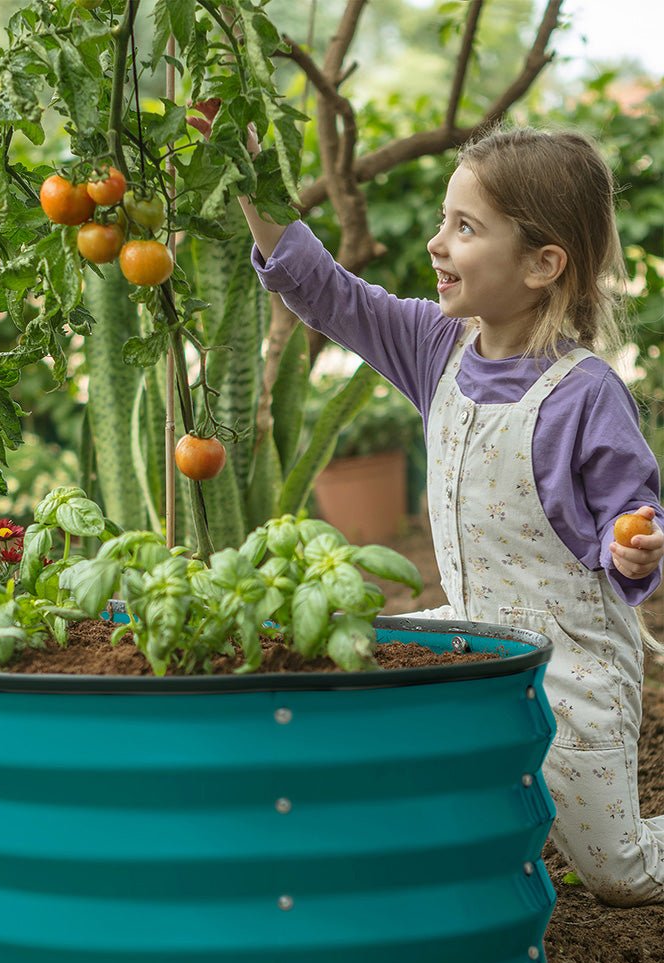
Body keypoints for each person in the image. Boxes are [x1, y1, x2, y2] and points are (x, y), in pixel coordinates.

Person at [192, 108, 664, 905]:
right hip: (472, 636)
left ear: (544, 262)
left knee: (620, 874)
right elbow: (325, 290)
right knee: (336, 664)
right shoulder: (435, 347)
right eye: (444, 221)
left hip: (569, 667)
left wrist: (634, 547)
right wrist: (249, 174)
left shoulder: (588, 394)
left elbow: (634, 512)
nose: (436, 244)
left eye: (465, 228)